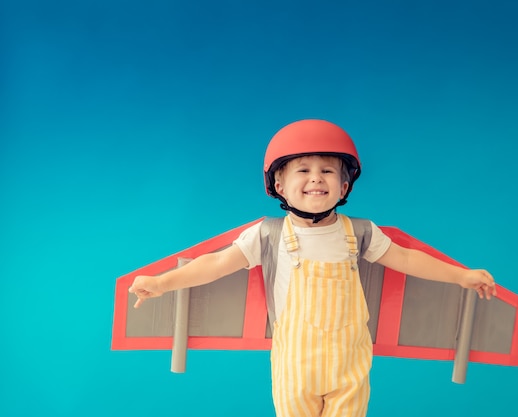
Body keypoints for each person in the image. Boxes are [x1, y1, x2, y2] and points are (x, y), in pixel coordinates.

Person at [129, 119, 496, 417]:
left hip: (350, 369)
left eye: (327, 170)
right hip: (294, 370)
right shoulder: (268, 235)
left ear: (345, 184)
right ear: (279, 184)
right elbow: (216, 264)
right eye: (303, 169)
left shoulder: (362, 233)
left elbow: (407, 259)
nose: (316, 178)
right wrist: (163, 283)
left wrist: (462, 275)